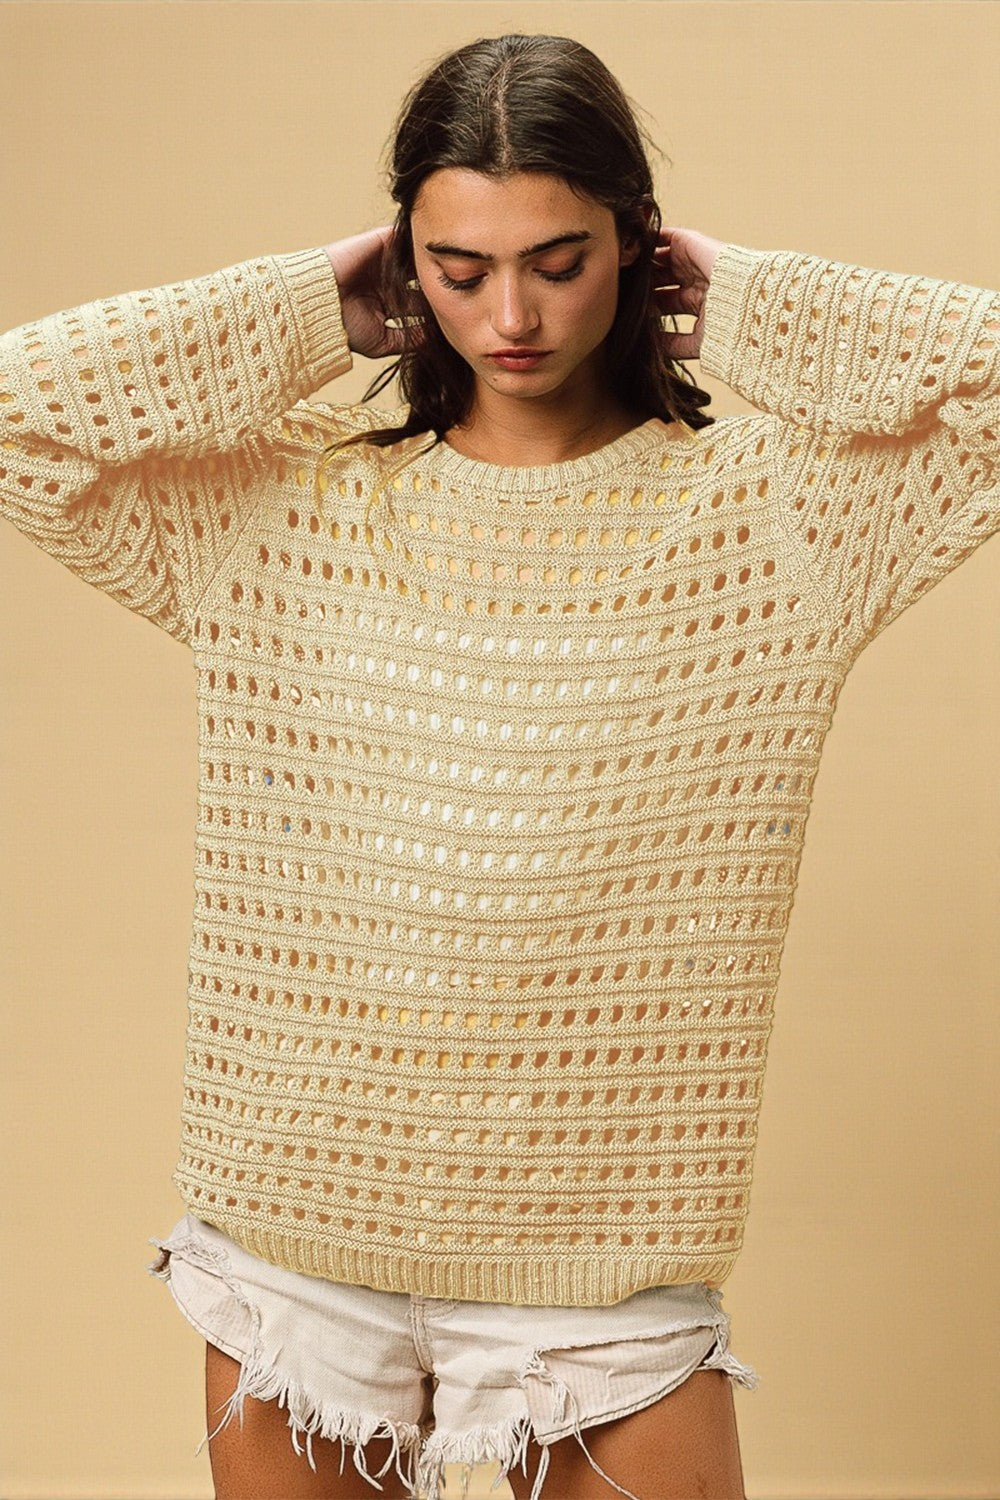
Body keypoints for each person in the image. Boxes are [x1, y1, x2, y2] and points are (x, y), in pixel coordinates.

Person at [1, 29, 996, 1500]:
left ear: (639, 249)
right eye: (459, 270)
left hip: (600, 1273)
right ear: (407, 262)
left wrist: (757, 307)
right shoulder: (282, 507)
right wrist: (301, 312)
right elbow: (20, 419)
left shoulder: (774, 520)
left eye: (561, 259)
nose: (511, 314)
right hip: (298, 1234)